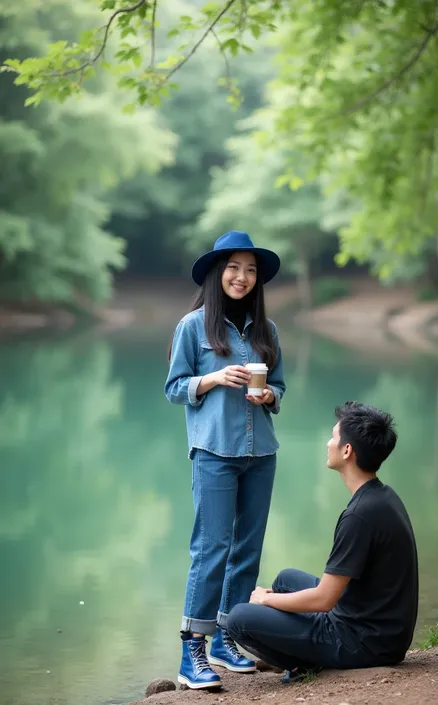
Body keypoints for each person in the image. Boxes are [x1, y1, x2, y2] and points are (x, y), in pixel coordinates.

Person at [165, 230, 286, 690]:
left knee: (247, 551)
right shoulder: (192, 326)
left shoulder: (268, 330)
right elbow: (174, 388)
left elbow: (280, 387)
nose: (242, 277)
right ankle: (191, 651)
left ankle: (226, 641)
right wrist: (213, 378)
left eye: (251, 270)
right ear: (218, 274)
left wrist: (269, 394)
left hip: (262, 453)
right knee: (211, 548)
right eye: (234, 268)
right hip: (213, 452)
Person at [226, 401, 419, 682]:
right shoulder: (383, 496)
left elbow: (324, 599)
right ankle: (302, 644)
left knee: (239, 619)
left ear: (347, 451)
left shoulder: (359, 516)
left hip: (364, 643)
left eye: (333, 437)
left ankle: (302, 664)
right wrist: (276, 597)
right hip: (380, 629)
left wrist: (267, 600)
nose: (328, 443)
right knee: (286, 578)